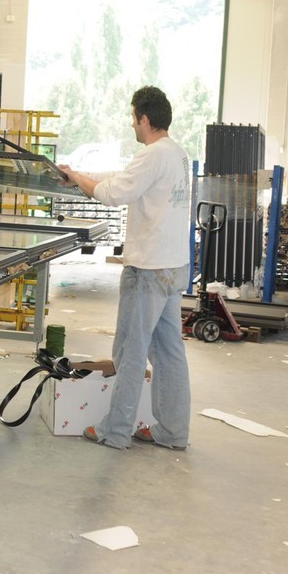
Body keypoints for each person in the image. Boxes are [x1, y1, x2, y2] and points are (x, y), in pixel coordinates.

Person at [57, 86, 192, 450]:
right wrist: (79, 174)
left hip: (148, 270)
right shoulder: (177, 154)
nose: (132, 124)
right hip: (173, 268)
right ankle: (174, 431)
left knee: (130, 351)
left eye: (133, 118)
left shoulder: (151, 155)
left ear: (144, 119)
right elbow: (121, 178)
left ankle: (115, 431)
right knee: (169, 354)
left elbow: (114, 193)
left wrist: (79, 180)